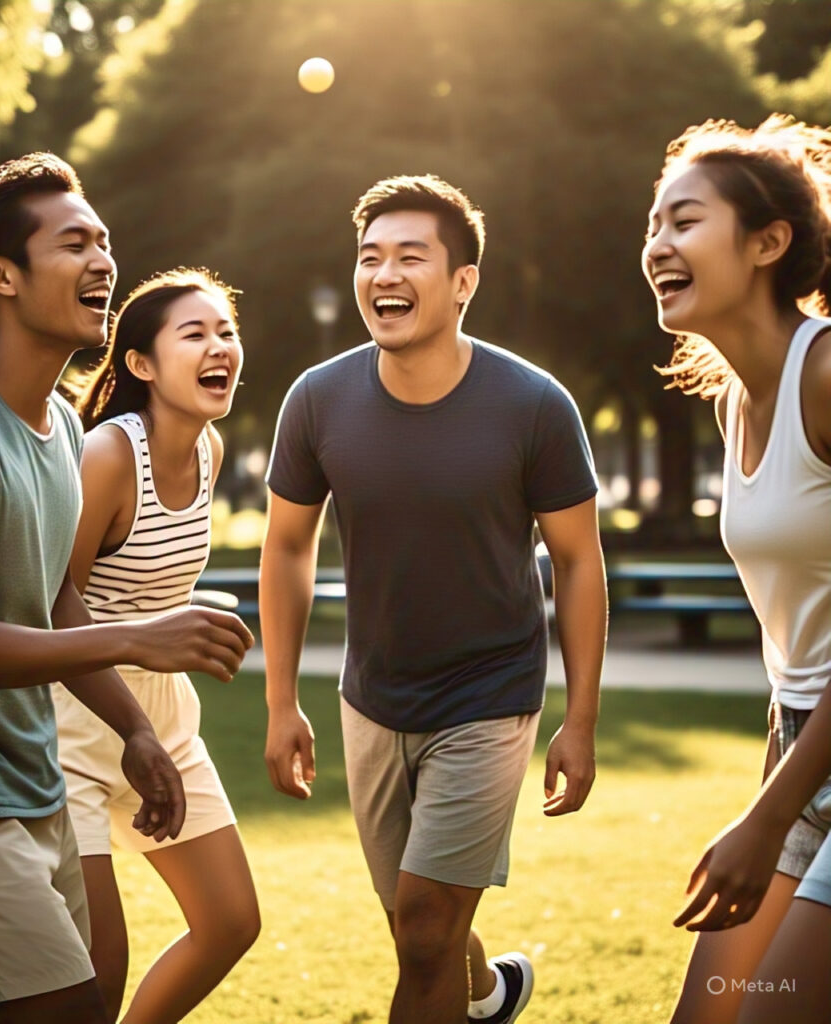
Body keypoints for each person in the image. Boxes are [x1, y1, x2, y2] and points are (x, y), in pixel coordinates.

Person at [0, 155, 253, 1024]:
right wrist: (137, 639)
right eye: (75, 243)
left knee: (90, 1005)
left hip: (23, 773)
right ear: (0, 274)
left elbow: (50, 598)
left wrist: (137, 728)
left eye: (104, 240)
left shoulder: (57, 422)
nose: (105, 260)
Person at [261, 174, 607, 1024]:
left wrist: (583, 719)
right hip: (372, 698)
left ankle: (468, 987)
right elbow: (286, 545)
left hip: (489, 697)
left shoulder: (534, 405)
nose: (385, 274)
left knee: (421, 930)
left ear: (463, 282)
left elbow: (577, 561)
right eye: (370, 257)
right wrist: (280, 702)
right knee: (416, 929)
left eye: (411, 256)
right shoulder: (316, 400)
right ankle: (488, 994)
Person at [642, 115, 831, 1024]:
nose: (657, 246)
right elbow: (791, 645)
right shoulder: (733, 404)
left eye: (684, 221)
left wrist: (767, 819)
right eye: (654, 226)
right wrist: (773, 794)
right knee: (707, 1015)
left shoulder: (827, 376)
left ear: (768, 241)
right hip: (804, 750)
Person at [59, 268, 260, 1023]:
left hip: (164, 720)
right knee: (95, 973)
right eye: (196, 333)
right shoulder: (108, 455)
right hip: (71, 720)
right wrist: (146, 640)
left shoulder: (206, 448)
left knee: (230, 922)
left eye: (227, 332)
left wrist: (184, 617)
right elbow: (52, 600)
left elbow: (139, 585)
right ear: (140, 363)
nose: (220, 348)